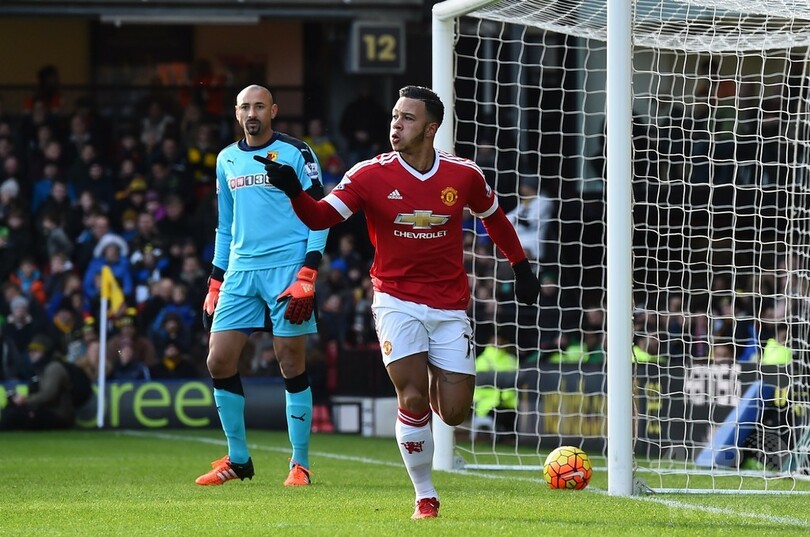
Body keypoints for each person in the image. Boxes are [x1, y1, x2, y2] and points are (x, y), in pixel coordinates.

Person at [256, 85, 540, 519]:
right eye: (394, 116)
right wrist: (295, 191)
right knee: (411, 397)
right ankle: (425, 495)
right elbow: (320, 217)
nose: (396, 125)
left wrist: (521, 268)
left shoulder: (463, 174)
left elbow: (495, 220)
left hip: (449, 305)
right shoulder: (368, 175)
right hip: (395, 300)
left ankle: (434, 381)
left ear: (430, 128)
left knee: (454, 413)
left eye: (407, 118)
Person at [195, 85, 328, 488]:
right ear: (237, 114)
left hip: (287, 269)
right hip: (239, 272)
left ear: (273, 110)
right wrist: (215, 280)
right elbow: (225, 224)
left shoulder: (296, 152)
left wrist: (308, 272)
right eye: (245, 107)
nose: (251, 113)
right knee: (218, 360)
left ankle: (300, 464)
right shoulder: (226, 159)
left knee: (290, 361)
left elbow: (321, 213)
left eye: (258, 106)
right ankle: (238, 460)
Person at [0, 335, 75, 430]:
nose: (31, 353)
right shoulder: (41, 368)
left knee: (16, 416)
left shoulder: (54, 368)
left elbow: (47, 395)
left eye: (36, 350)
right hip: (46, 411)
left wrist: (25, 401)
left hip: (58, 414)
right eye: (30, 350)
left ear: (46, 352)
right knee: (13, 411)